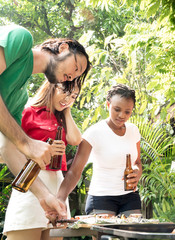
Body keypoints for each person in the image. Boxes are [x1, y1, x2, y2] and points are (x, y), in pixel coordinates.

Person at [0, 25, 91, 221]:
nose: (73, 76)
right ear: (64, 48)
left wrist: (45, 196)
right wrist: (26, 143)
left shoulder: (18, 98)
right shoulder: (20, 38)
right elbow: (19, 144)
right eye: (77, 68)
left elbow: (7, 149)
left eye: (77, 76)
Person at [3, 80, 83, 239]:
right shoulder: (28, 112)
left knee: (55, 234)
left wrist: (66, 111)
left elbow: (75, 139)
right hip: (32, 180)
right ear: (52, 87)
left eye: (74, 96)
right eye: (65, 92)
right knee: (23, 229)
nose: (68, 98)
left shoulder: (62, 118)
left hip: (57, 184)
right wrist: (42, 150)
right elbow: (9, 150)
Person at [57, 84, 142, 218]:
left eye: (127, 111)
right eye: (117, 109)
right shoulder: (93, 133)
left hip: (130, 196)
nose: (122, 115)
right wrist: (60, 199)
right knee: (105, 237)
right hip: (101, 198)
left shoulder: (133, 131)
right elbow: (75, 171)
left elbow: (137, 162)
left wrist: (137, 172)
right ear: (108, 105)